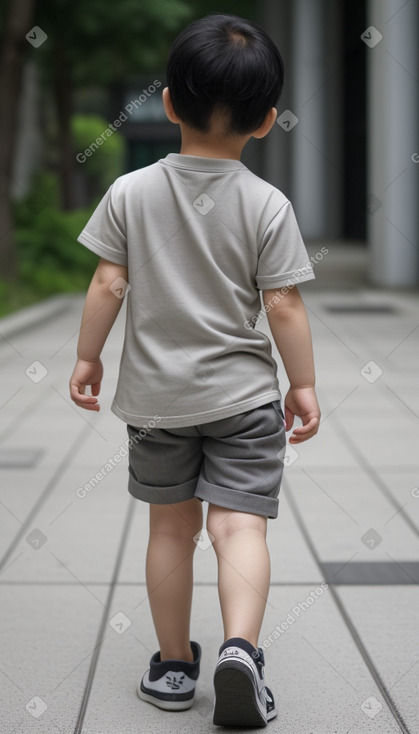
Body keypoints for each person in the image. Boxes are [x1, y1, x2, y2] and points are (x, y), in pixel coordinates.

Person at [69, 12, 320, 728]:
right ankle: (241, 649)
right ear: (266, 121)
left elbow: (106, 287)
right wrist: (300, 384)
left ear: (169, 104)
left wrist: (88, 357)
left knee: (169, 533)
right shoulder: (267, 204)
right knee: (240, 530)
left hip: (156, 402)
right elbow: (285, 306)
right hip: (243, 399)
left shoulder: (130, 193)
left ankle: (175, 666)